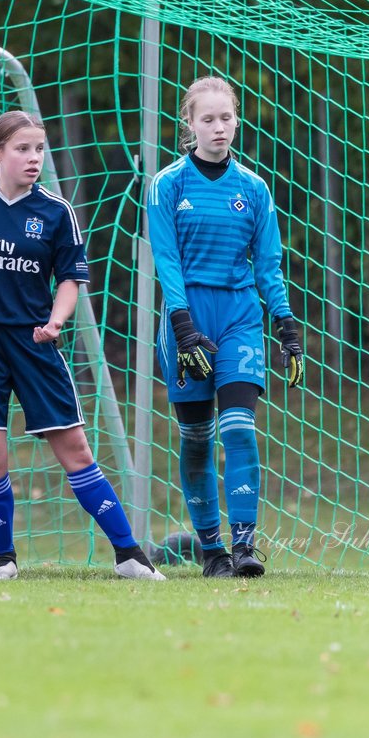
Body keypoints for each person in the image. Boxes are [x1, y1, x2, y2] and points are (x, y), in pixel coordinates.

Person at [0, 110, 165, 582]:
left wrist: (56, 320)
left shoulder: (54, 211)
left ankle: (129, 554)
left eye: (39, 149)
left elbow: (70, 278)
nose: (33, 158)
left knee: (76, 451)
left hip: (34, 342)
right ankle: (3, 559)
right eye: (23, 149)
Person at [146, 76, 306, 579]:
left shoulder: (254, 188)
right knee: (196, 436)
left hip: (239, 319)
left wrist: (285, 324)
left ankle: (243, 549)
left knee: (239, 429)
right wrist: (181, 322)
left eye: (227, 118)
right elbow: (166, 260)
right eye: (208, 119)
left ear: (237, 121)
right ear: (188, 124)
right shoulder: (167, 184)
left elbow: (268, 265)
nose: (219, 127)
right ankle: (211, 553)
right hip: (187, 320)